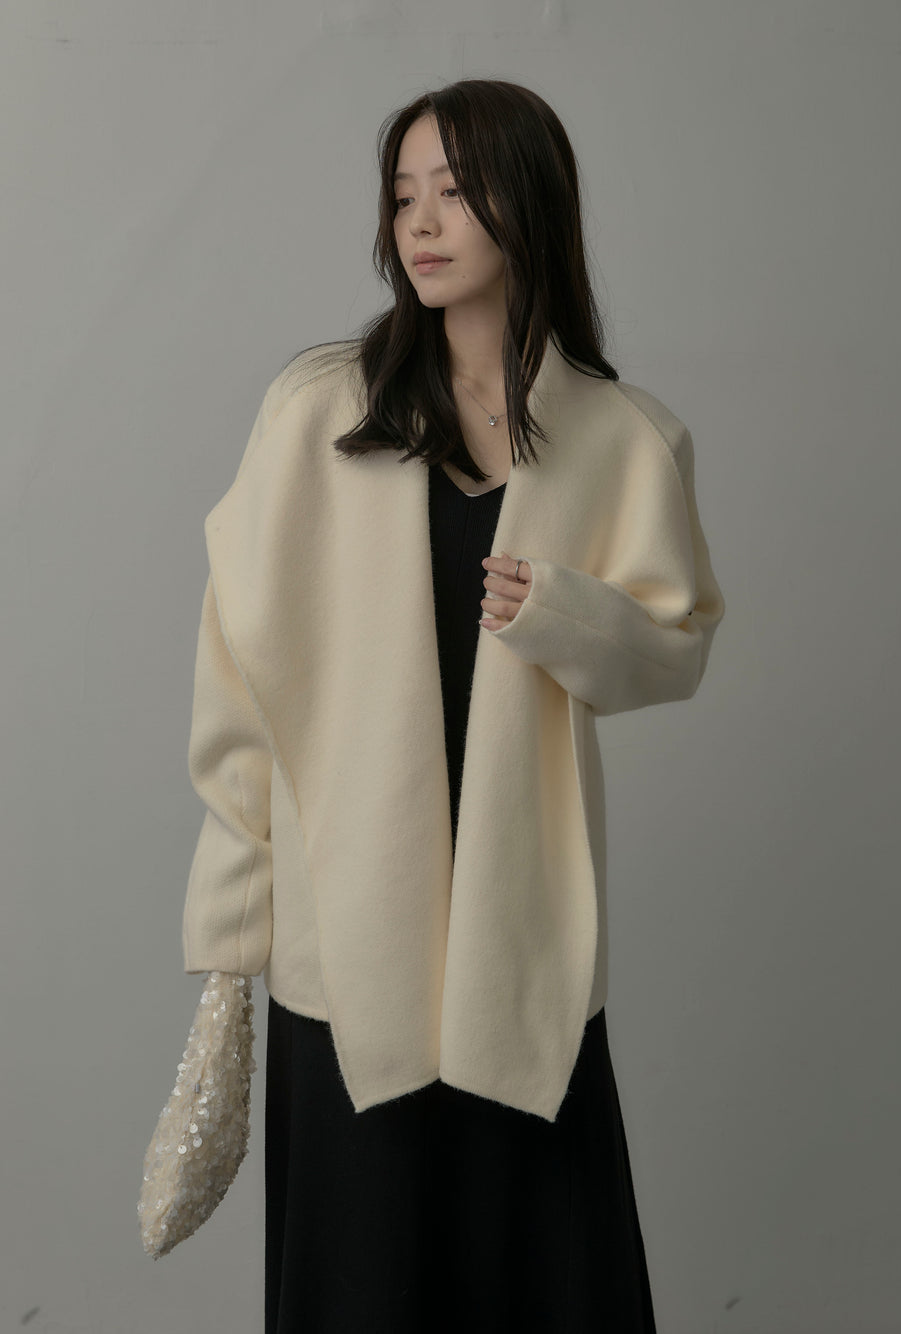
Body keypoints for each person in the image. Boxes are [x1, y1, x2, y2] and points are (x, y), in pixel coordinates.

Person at [180, 78, 725, 1331]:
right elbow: (239, 673)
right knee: (359, 1280)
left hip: (518, 934)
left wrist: (565, 613)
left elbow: (676, 643)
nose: (420, 223)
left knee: (539, 1273)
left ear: (527, 204)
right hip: (348, 934)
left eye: (456, 190)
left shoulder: (622, 438)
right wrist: (233, 919)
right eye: (403, 195)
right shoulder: (320, 412)